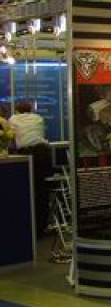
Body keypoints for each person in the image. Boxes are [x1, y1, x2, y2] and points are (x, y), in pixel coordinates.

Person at [9, 101, 51, 237]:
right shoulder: (38, 118)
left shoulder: (13, 119)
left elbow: (12, 137)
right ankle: (42, 226)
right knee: (42, 191)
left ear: (16, 110)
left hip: (26, 155)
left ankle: (29, 228)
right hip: (43, 154)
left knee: (28, 191)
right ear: (31, 109)